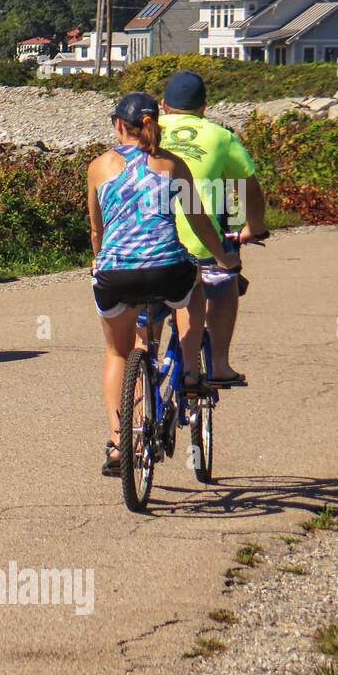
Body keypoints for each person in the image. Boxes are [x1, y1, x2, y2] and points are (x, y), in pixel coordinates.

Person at [89, 93, 240, 477]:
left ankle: (117, 442)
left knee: (117, 353)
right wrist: (224, 260)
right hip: (167, 268)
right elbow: (200, 222)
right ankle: (190, 373)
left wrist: (98, 260)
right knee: (196, 290)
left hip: (115, 272)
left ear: (118, 126)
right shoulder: (174, 164)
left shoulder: (99, 167)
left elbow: (97, 230)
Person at [160, 71, 268, 386]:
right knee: (225, 282)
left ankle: (144, 367)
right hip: (202, 243)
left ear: (163, 106)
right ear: (204, 107)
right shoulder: (221, 136)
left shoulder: (146, 133)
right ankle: (220, 364)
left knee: (149, 308)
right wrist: (255, 227)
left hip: (150, 241)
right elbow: (249, 190)